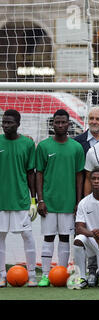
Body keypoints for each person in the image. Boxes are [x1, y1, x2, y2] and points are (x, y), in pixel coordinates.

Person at [36, 109, 85, 287]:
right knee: (48, 237)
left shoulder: (76, 147)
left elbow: (80, 176)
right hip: (48, 201)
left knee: (65, 237)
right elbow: (39, 174)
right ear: (53, 124)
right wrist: (40, 200)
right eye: (57, 122)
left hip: (68, 201)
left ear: (69, 125)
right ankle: (46, 275)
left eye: (63, 122)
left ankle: (62, 274)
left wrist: (78, 201)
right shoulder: (43, 146)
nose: (60, 125)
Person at [0, 110, 37, 287]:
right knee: (0, 237)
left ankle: (32, 275)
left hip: (21, 198)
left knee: (27, 235)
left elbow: (31, 173)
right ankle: (1, 275)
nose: (6, 125)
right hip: (1, 200)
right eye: (3, 122)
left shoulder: (28, 144)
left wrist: (33, 200)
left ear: (18, 124)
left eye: (9, 123)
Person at [74, 106, 99, 286]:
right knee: (85, 234)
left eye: (98, 119)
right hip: (87, 197)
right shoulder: (78, 142)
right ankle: (85, 272)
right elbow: (81, 175)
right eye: (91, 118)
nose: (94, 122)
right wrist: (83, 199)